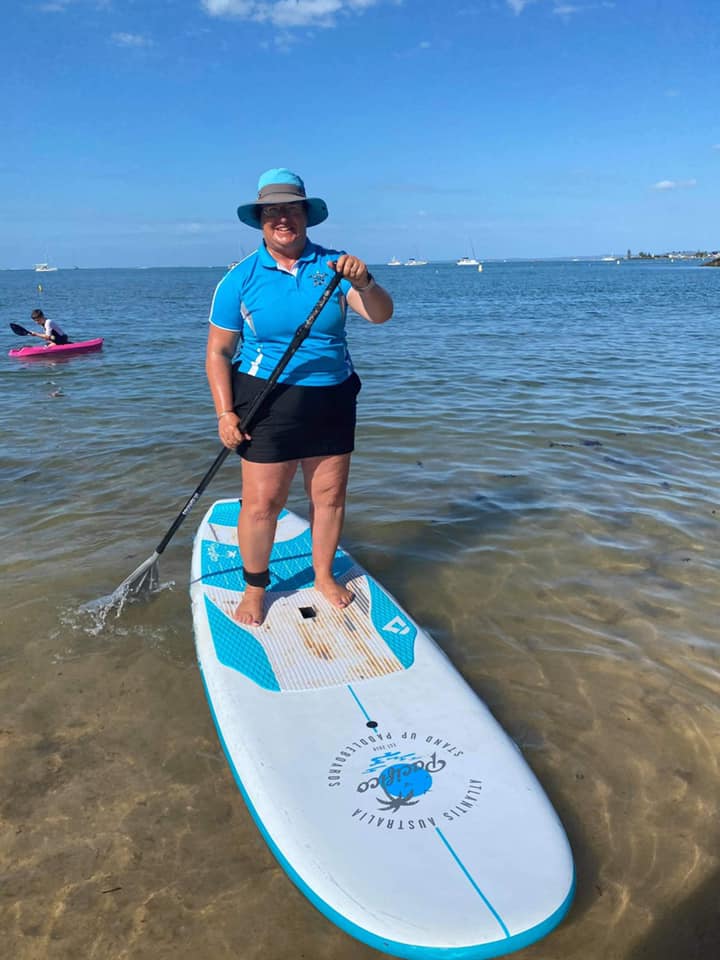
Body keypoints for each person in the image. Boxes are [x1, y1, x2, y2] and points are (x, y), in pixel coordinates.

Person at [206, 168, 393, 626]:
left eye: (291, 209)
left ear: (306, 215)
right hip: (265, 399)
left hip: (332, 397)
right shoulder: (240, 278)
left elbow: (382, 316)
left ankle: (324, 575)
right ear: (261, 220)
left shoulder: (335, 267)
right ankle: (254, 588)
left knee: (328, 497)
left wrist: (366, 282)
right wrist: (225, 413)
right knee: (262, 503)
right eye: (272, 211)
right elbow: (218, 351)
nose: (282, 219)